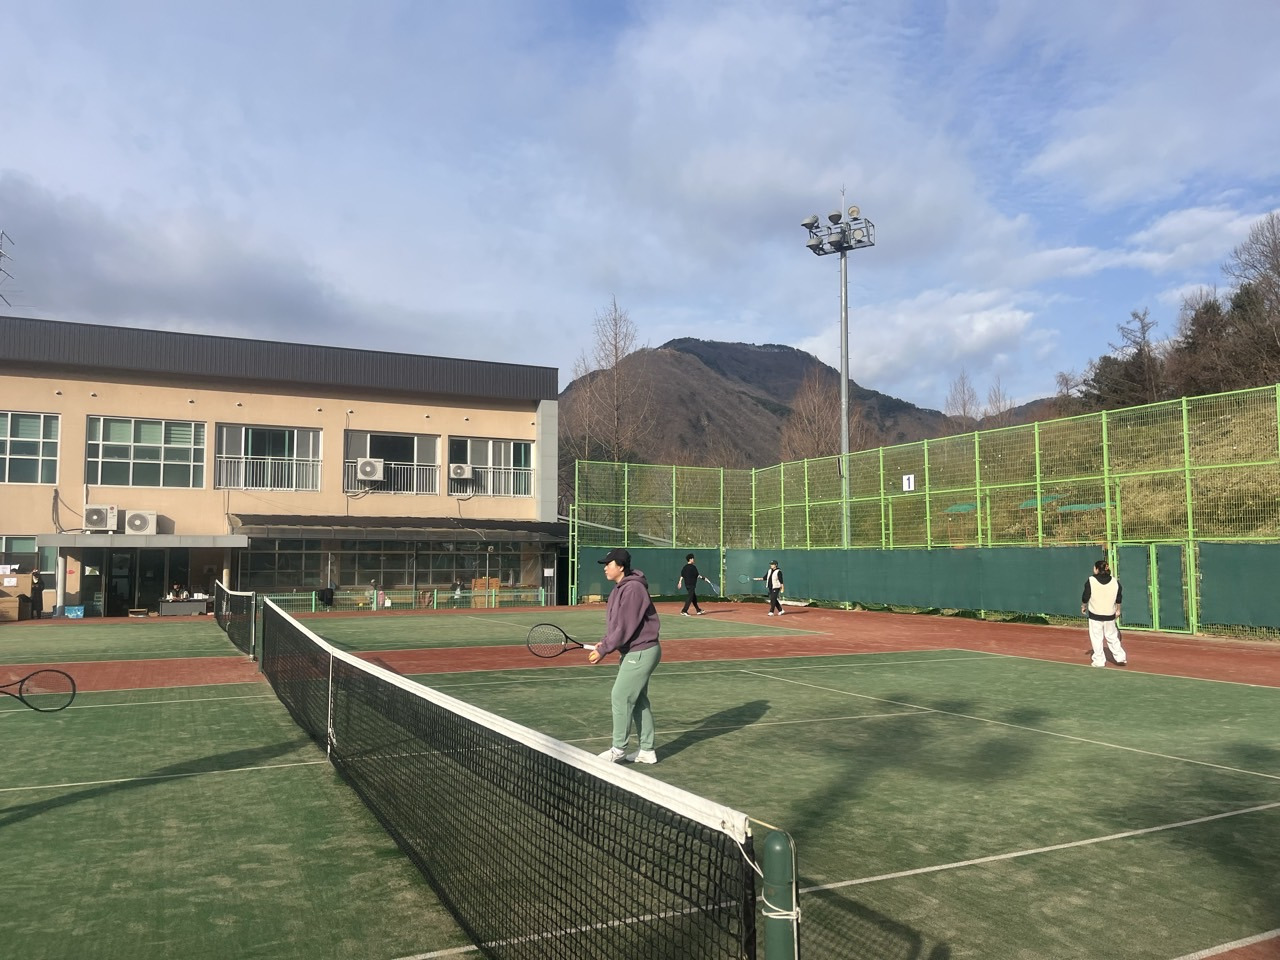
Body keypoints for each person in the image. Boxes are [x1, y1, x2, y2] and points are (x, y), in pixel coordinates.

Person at [589, 548, 662, 764]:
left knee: (620, 696)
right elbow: (616, 624)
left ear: (620, 566)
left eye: (608, 564)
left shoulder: (633, 589)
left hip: (641, 651)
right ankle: (647, 750)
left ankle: (618, 749)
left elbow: (625, 626)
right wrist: (605, 641)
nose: (605, 568)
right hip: (634, 650)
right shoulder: (619, 589)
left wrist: (604, 650)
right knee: (638, 700)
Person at [1082, 558, 1127, 668]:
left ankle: (1099, 661)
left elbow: (1085, 596)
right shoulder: (1115, 582)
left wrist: (1083, 606)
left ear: (1097, 569)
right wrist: (1118, 610)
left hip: (1095, 615)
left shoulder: (1091, 580)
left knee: (1096, 638)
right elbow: (1119, 598)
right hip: (1109, 615)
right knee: (1112, 637)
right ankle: (1121, 657)